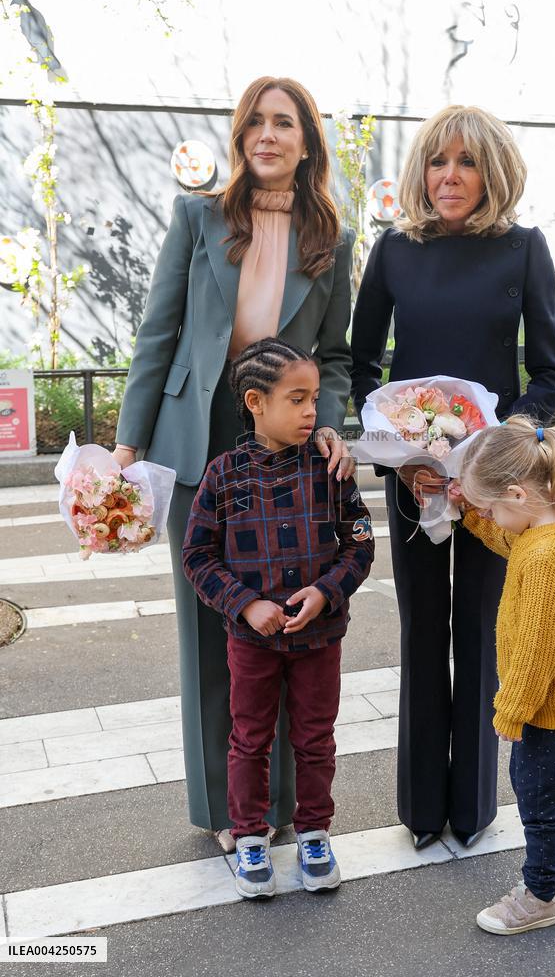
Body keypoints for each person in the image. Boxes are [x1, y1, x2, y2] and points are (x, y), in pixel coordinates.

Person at [113, 76, 356, 851]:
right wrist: (127, 443)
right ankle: (226, 808)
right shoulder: (197, 218)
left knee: (289, 621)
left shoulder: (333, 239)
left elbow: (340, 356)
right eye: (254, 121)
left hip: (286, 447)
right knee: (213, 620)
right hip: (199, 435)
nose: (266, 134)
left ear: (306, 140)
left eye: (283, 122)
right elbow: (159, 334)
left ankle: (282, 804)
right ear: (240, 136)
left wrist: (334, 424)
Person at [350, 104, 555, 851]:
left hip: (492, 481)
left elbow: (548, 372)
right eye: (439, 161)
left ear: (492, 172)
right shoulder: (393, 251)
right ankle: (420, 810)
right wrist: (401, 446)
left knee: (481, 628)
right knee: (422, 629)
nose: (450, 176)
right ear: (422, 170)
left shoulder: (524, 250)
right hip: (412, 473)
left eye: (467, 163)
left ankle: (474, 807)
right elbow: (361, 365)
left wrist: (506, 438)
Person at [182, 338, 374, 898]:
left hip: (321, 637)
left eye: (314, 397)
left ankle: (315, 833)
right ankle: (248, 837)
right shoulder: (223, 476)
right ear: (255, 402)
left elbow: (359, 544)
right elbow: (197, 555)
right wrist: (244, 603)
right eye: (297, 398)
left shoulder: (330, 468)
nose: (312, 410)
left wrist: (326, 592)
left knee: (316, 739)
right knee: (249, 739)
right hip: (252, 641)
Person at [449, 416, 555, 935]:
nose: (488, 515)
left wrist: (510, 711)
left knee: (535, 799)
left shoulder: (544, 560)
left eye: (491, 506)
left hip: (547, 708)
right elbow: (505, 538)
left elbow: (538, 652)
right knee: (546, 789)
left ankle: (540, 894)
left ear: (517, 494)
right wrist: (471, 513)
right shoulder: (545, 533)